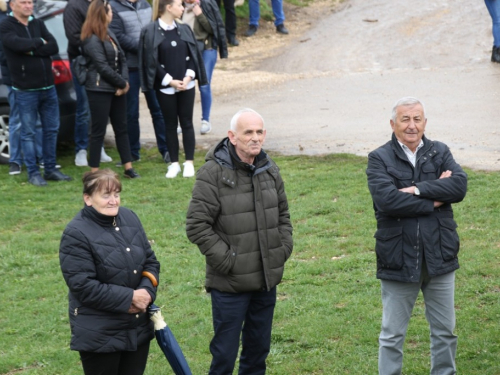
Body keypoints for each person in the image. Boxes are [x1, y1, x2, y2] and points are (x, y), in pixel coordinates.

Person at [186, 108, 293, 374]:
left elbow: (283, 216)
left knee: (258, 352)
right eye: (248, 132)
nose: (255, 138)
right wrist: (229, 260)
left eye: (259, 132)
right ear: (232, 137)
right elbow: (197, 226)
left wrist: (281, 250)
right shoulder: (212, 173)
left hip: (265, 280)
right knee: (224, 355)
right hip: (230, 285)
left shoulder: (269, 169)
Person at [366, 97, 468, 375]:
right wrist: (437, 196)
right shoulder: (379, 158)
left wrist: (416, 190)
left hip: (440, 257)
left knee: (445, 332)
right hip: (398, 258)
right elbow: (387, 202)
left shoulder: (440, 151)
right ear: (393, 123)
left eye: (417, 119)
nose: (412, 125)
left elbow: (458, 187)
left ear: (425, 122)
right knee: (392, 336)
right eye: (405, 119)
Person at [59, 169, 160, 375]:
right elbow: (83, 286)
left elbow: (150, 261)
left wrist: (146, 293)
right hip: (100, 333)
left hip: (136, 327)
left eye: (116, 194)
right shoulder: (76, 233)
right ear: (88, 199)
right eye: (106, 195)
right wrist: (130, 298)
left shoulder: (129, 217)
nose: (113, 201)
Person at [0, 0, 72, 186]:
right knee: (28, 132)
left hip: (48, 88)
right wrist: (39, 43)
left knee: (51, 129)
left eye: (30, 2)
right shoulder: (6, 25)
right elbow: (15, 45)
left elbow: (54, 46)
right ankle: (33, 172)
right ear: (13, 4)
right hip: (25, 90)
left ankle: (49, 169)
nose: (28, 5)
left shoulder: (38, 23)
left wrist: (31, 48)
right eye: (23, 2)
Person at [139, 0, 207, 178]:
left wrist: (188, 77)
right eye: (179, 5)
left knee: (187, 123)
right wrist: (170, 81)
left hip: (187, 84)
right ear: (168, 7)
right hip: (166, 87)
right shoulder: (150, 31)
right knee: (169, 125)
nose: (183, 8)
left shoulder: (184, 28)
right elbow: (151, 61)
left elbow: (193, 55)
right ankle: (174, 163)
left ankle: (189, 162)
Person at [81, 0, 140, 178]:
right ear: (101, 13)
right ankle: (94, 171)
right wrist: (122, 84)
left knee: (121, 127)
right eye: (109, 11)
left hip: (117, 89)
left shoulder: (110, 33)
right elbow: (101, 66)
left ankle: (128, 167)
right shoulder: (91, 38)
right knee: (98, 130)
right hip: (99, 90)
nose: (112, 13)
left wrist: (124, 82)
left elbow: (122, 58)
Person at [109, 0, 170, 163]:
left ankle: (166, 150)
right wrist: (144, 48)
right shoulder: (113, 7)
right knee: (130, 112)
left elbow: (155, 28)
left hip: (150, 66)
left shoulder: (146, 5)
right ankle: (132, 152)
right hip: (129, 67)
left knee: (158, 109)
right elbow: (118, 36)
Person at [64, 0, 113, 167]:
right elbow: (74, 36)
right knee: (84, 108)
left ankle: (97, 147)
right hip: (83, 63)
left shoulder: (102, 3)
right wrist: (97, 47)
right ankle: (81, 149)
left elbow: (107, 28)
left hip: (101, 61)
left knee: (100, 108)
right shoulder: (74, 6)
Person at [182, 0, 228, 135]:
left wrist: (200, 14)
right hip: (186, 50)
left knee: (204, 84)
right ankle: (182, 121)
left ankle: (205, 120)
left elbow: (214, 28)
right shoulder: (178, 7)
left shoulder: (206, 4)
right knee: (184, 83)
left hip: (206, 49)